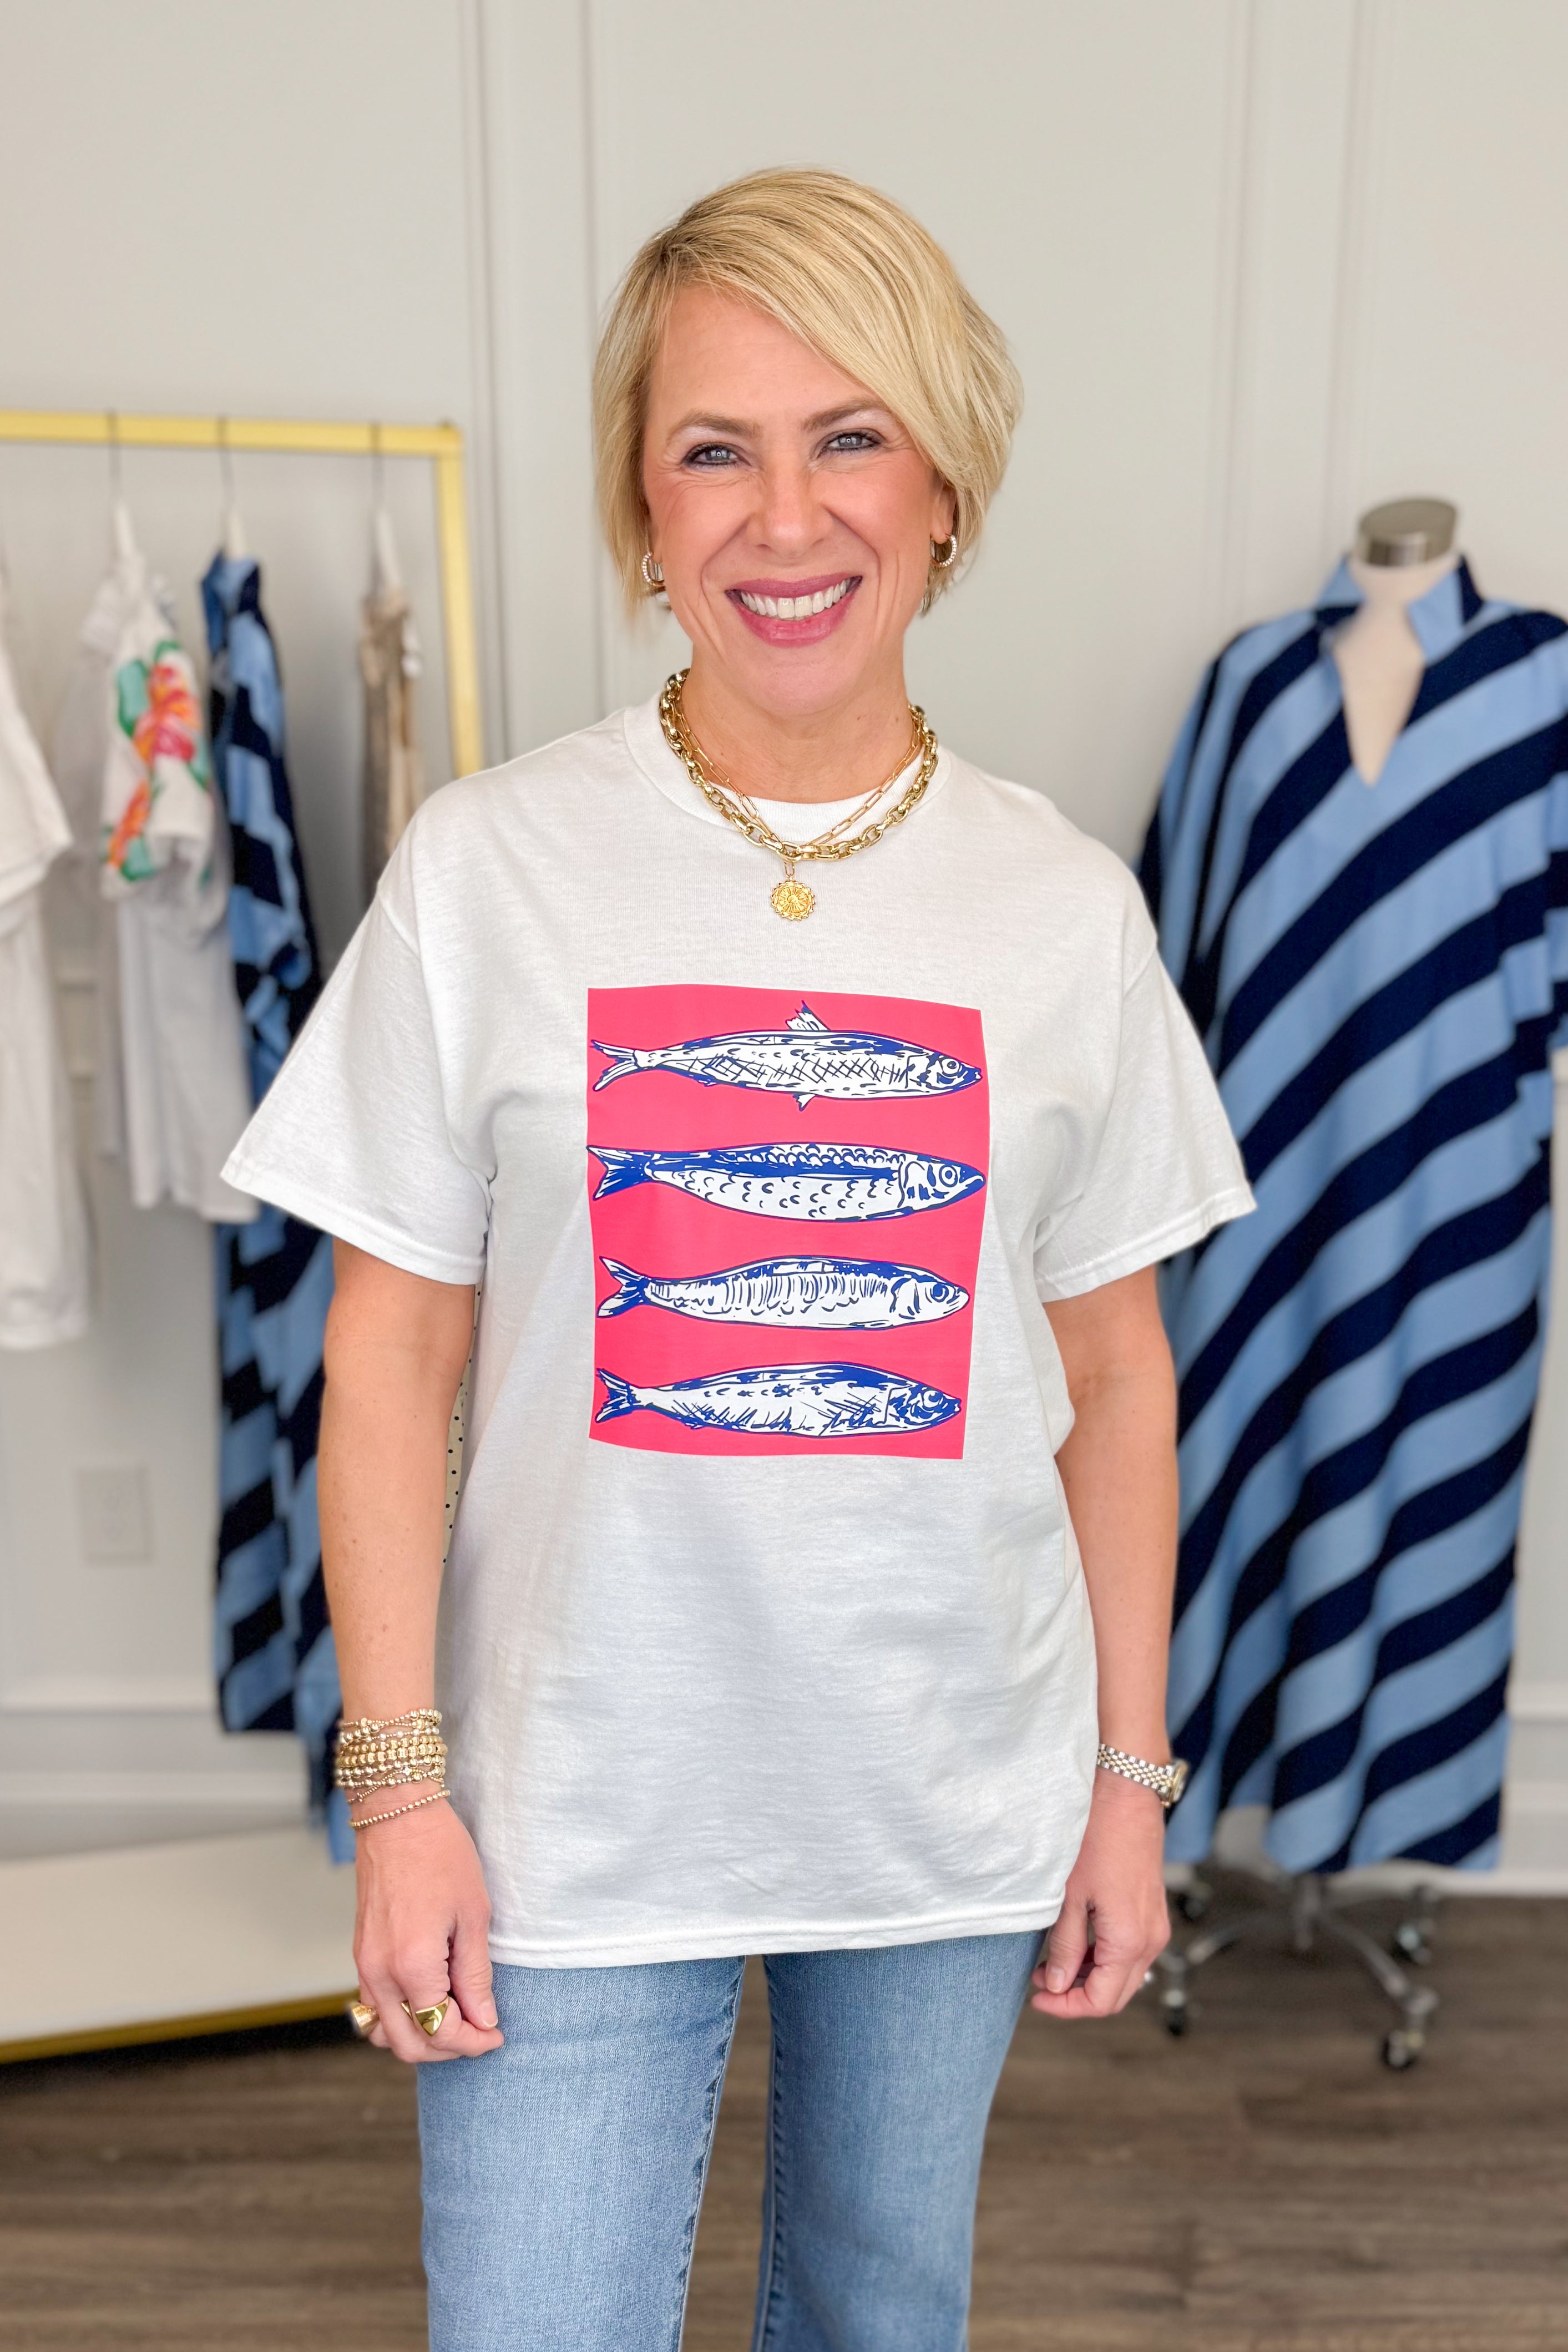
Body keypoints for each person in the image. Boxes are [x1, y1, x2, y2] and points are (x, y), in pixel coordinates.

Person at [225, 167, 1252, 2352]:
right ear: (640, 502)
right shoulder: (490, 870)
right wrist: (397, 1789)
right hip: (563, 1804)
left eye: (845, 435)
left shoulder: (1059, 912)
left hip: (941, 1794)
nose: (784, 519)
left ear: (946, 482)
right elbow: (386, 1362)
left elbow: (1121, 1380)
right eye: (714, 448)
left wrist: (1125, 1778)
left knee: (880, 2317)